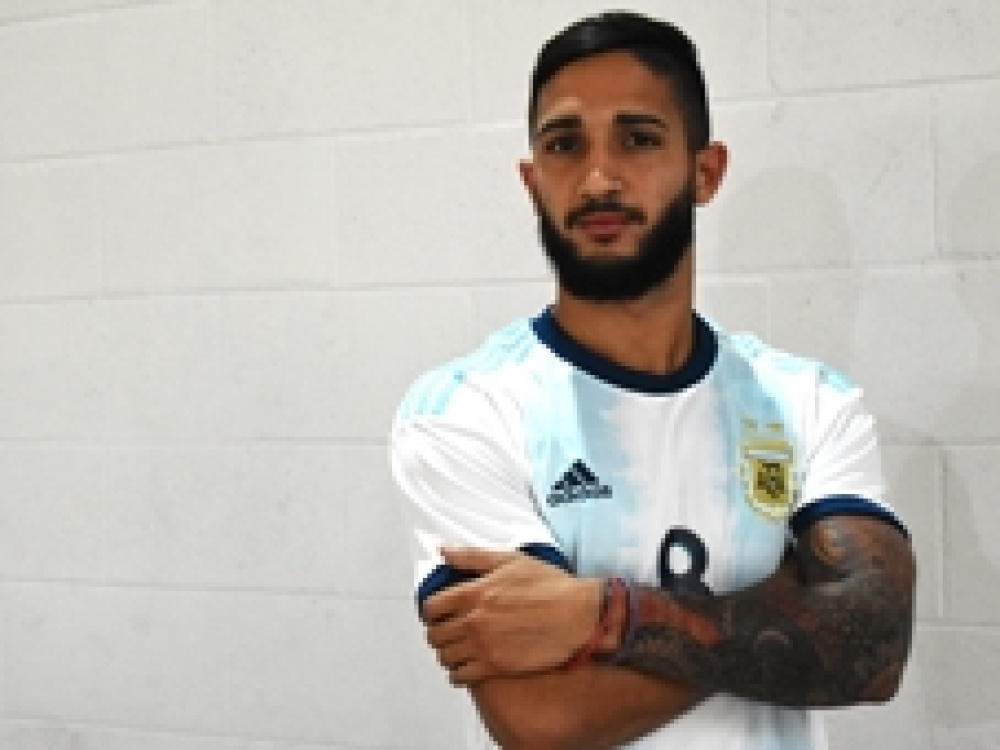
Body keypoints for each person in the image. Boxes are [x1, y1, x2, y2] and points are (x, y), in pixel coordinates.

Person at [389, 11, 915, 749]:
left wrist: (606, 614)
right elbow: (543, 720)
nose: (598, 178)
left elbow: (874, 649)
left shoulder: (810, 401)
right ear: (532, 181)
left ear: (706, 172)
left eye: (638, 138)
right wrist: (788, 597)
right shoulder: (463, 411)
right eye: (564, 145)